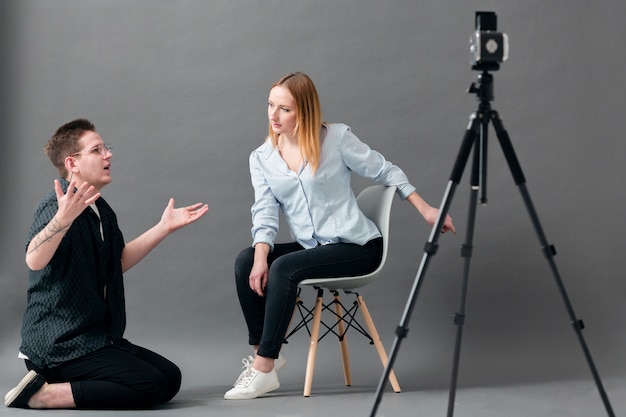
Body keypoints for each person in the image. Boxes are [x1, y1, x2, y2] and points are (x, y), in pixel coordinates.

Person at [225, 72, 456, 400]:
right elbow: (263, 213)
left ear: (304, 112)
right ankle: (264, 357)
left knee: (283, 269)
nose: (273, 115)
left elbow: (384, 170)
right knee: (246, 260)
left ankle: (264, 366)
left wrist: (427, 210)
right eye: (270, 105)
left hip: (358, 247)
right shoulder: (262, 158)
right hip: (314, 249)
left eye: (285, 109)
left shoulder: (336, 138)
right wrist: (260, 256)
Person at [4, 119, 209, 409]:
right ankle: (44, 395)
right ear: (72, 163)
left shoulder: (101, 209)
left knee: (169, 377)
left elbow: (116, 264)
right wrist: (62, 220)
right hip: (60, 346)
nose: (108, 155)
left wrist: (163, 227)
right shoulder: (56, 205)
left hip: (94, 338)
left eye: (106, 148)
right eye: (97, 150)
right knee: (150, 385)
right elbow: (34, 260)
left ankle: (62, 388)